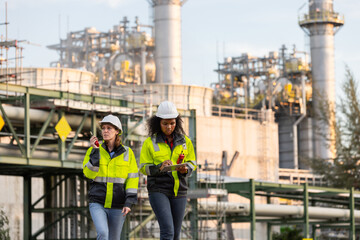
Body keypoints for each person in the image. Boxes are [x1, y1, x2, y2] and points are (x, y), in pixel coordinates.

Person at [139, 101, 197, 240]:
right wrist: (160, 166)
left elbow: (192, 162)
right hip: (158, 190)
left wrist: (185, 169)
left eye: (172, 123)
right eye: (165, 123)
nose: (169, 127)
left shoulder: (185, 141)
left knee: (176, 235)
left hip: (179, 191)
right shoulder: (149, 143)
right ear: (158, 122)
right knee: (168, 231)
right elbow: (143, 168)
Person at [83, 114, 139, 240]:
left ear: (117, 131)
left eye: (109, 128)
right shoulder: (92, 151)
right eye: (103, 128)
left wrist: (129, 202)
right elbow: (88, 174)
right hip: (98, 202)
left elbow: (132, 179)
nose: (105, 131)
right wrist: (95, 152)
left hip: (118, 205)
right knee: (103, 233)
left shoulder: (128, 153)